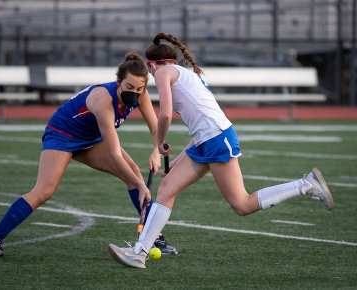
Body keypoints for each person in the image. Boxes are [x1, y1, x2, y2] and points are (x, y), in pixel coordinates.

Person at [108, 33, 333, 269]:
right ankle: (140, 252)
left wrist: (159, 143)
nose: (152, 75)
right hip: (205, 141)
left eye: (150, 70)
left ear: (153, 65)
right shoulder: (183, 74)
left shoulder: (164, 72)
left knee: (242, 205)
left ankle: (306, 184)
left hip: (217, 139)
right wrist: (175, 162)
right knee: (166, 189)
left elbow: (164, 114)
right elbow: (199, 129)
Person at [0, 52, 177, 256]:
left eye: (139, 89)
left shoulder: (140, 96)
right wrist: (142, 186)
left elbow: (154, 129)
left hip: (91, 138)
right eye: (129, 87)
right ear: (118, 82)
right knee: (45, 191)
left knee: (133, 173)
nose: (134, 92)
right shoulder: (103, 100)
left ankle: (153, 237)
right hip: (62, 135)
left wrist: (155, 151)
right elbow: (114, 152)